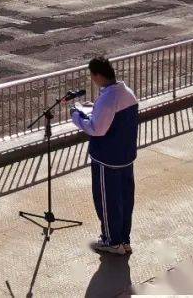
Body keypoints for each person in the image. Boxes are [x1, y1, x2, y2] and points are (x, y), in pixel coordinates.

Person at [71, 56, 139, 256]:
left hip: (107, 159)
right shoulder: (127, 93)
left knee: (107, 201)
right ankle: (124, 239)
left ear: (98, 75)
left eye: (92, 75)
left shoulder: (109, 98)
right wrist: (97, 108)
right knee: (125, 200)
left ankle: (112, 241)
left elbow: (97, 129)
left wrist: (77, 116)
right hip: (126, 156)